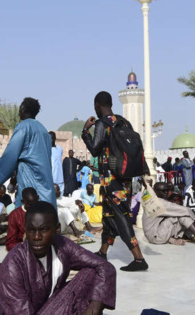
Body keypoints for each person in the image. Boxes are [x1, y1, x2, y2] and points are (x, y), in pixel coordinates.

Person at [0, 201, 116, 314]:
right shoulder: (13, 264)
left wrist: (94, 306)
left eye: (44, 230)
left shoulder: (62, 246)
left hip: (51, 307)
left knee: (92, 272)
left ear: (57, 229)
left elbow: (105, 266)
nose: (36, 237)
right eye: (31, 230)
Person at [82, 91, 148, 271]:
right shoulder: (124, 122)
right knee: (109, 217)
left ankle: (139, 258)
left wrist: (85, 131)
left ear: (97, 105)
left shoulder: (103, 124)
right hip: (125, 179)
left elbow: (95, 150)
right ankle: (103, 252)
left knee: (121, 218)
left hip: (111, 181)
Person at [0, 97, 56, 207]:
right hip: (45, 182)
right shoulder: (44, 131)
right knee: (45, 212)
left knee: (26, 213)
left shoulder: (23, 128)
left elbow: (11, 155)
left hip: (29, 179)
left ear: (23, 109)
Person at [143, 182, 195, 246]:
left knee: (177, 215)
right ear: (155, 191)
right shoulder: (160, 203)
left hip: (153, 235)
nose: (166, 192)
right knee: (182, 215)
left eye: (167, 190)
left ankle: (184, 237)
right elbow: (184, 210)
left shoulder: (151, 200)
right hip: (156, 236)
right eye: (163, 191)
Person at [6, 187, 39, 252]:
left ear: (38, 198)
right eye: (30, 205)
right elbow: (10, 243)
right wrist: (25, 245)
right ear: (23, 201)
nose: (33, 207)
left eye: (35, 204)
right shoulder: (15, 215)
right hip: (24, 249)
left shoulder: (44, 211)